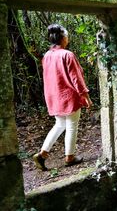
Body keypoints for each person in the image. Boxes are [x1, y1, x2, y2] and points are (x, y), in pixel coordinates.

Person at [33, 23, 92, 171]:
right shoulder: (67, 55)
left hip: (54, 96)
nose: (68, 39)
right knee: (72, 126)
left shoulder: (47, 56)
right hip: (69, 96)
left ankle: (42, 154)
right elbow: (76, 78)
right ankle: (70, 157)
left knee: (60, 124)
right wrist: (85, 95)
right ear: (63, 38)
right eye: (67, 36)